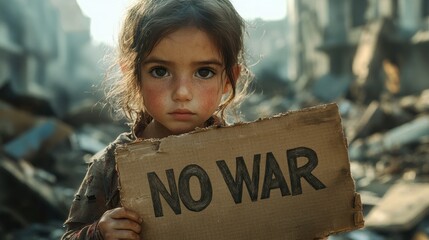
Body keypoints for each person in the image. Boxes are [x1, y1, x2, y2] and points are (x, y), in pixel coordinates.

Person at [61, 0, 251, 239]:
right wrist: (99, 232)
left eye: (204, 72)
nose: (182, 92)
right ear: (134, 74)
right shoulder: (113, 164)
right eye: (160, 71)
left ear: (228, 79)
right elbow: (70, 235)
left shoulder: (244, 155)